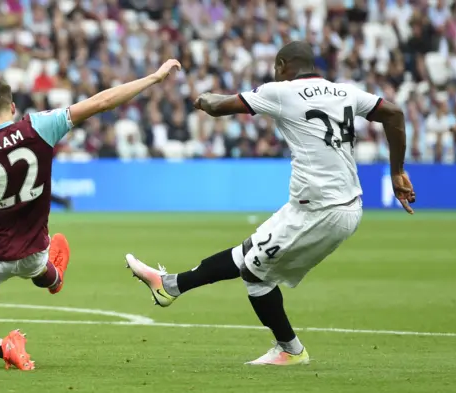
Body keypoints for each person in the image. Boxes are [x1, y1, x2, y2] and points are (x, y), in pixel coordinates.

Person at [125, 41, 416, 366]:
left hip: (321, 210)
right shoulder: (345, 92)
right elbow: (394, 112)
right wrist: (398, 170)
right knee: (247, 254)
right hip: (326, 204)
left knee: (254, 273)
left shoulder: (282, 91)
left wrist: (203, 98)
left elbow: (220, 106)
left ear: (282, 65)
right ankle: (170, 286)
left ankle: (289, 350)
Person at [0, 59, 182, 370]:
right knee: (38, 266)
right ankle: (54, 276)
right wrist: (154, 78)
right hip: (35, 250)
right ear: (12, 107)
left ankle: (4, 346)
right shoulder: (40, 126)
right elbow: (102, 101)